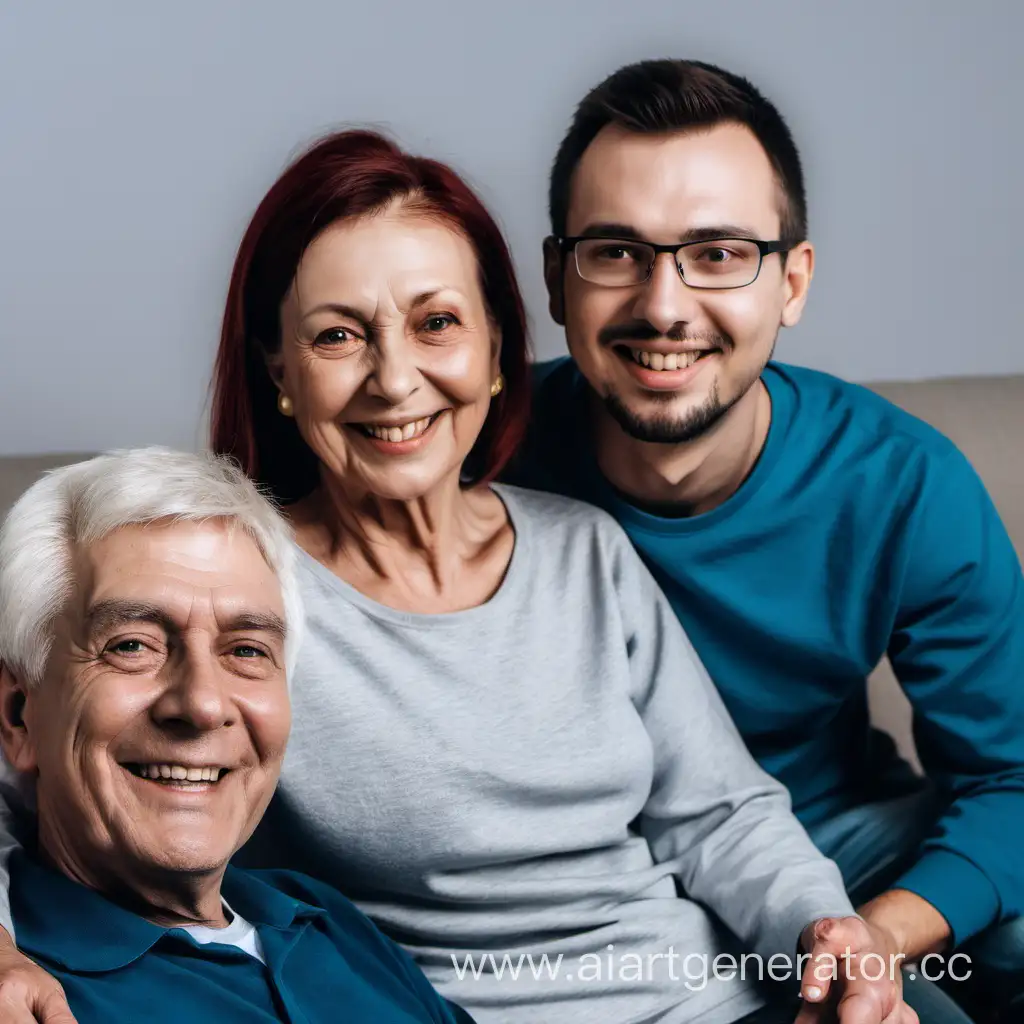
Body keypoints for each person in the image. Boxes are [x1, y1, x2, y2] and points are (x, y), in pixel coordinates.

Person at [0, 132, 910, 1024]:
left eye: (436, 323)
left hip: (731, 995)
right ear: (279, 365)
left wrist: (824, 935)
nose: (395, 381)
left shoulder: (581, 549)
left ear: (494, 344)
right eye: (338, 336)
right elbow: (32, 771)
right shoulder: (235, 602)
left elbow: (720, 816)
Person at [504, 57, 1024, 1023]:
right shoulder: (470, 454)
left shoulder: (900, 483)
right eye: (616, 251)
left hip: (841, 838)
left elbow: (1014, 778)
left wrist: (877, 935)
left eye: (718, 253)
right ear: (554, 278)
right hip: (586, 889)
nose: (664, 306)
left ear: (792, 280)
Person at [0, 447, 475, 1024]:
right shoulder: (27, 995)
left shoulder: (317, 914)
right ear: (19, 714)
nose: (202, 704)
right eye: (131, 645)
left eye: (247, 651)